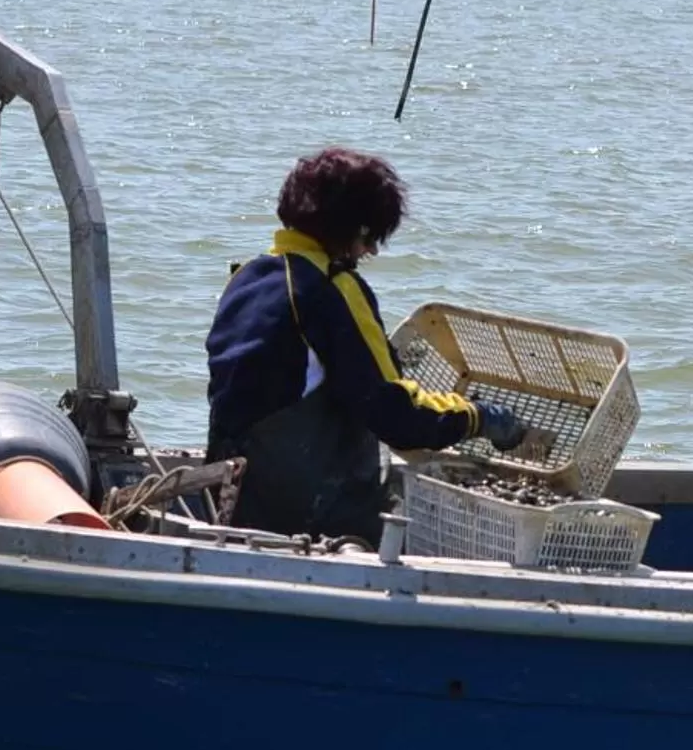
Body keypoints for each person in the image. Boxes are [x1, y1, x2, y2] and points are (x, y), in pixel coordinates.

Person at [206, 146, 526, 539]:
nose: (371, 249)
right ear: (352, 229)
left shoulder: (246, 279)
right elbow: (397, 417)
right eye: (371, 235)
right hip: (305, 522)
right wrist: (482, 418)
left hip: (230, 503)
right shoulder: (331, 288)